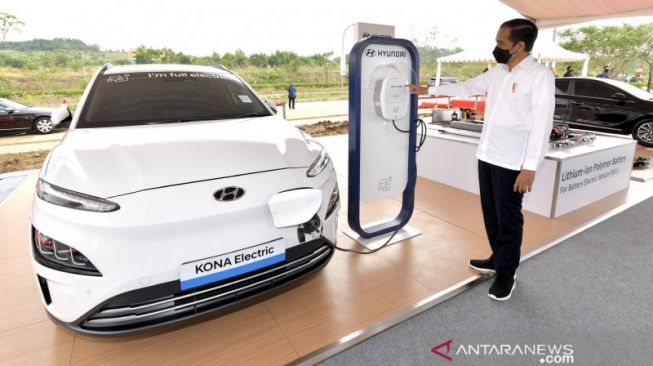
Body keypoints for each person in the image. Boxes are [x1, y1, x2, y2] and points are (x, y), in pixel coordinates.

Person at [409, 18, 554, 301]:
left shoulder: (539, 76)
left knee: (508, 218)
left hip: (513, 163)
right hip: (487, 154)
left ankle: (506, 274)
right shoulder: (498, 71)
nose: (496, 47)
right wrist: (428, 90)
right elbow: (466, 87)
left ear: (519, 46)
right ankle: (498, 258)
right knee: (491, 213)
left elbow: (541, 124)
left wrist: (530, 168)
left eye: (501, 43)